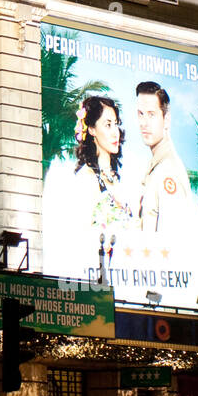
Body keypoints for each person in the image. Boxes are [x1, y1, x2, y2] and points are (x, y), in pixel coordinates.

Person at [69, 95, 134, 277]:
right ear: (91, 129)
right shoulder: (86, 179)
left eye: (116, 124)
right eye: (107, 125)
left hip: (126, 276)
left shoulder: (119, 180)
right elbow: (79, 238)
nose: (115, 132)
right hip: (97, 279)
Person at [135, 82, 192, 236]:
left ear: (166, 120)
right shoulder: (156, 165)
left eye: (151, 114)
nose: (143, 123)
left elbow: (171, 241)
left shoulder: (168, 171)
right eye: (140, 114)